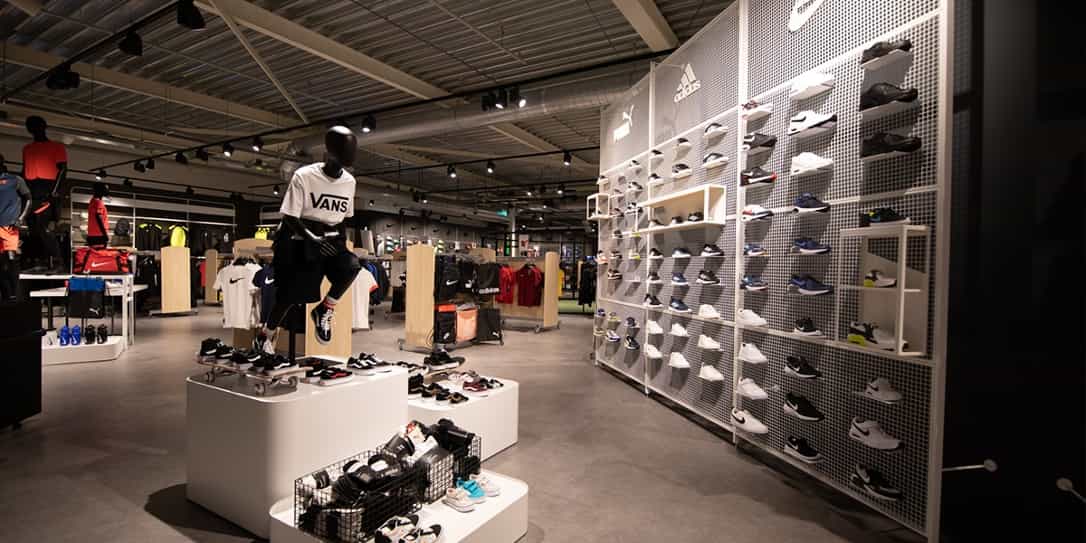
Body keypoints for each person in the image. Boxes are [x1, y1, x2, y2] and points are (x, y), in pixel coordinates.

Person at [254, 126, 361, 354]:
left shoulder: (349, 182)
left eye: (353, 148)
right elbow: (290, 216)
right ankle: (266, 334)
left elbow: (344, 218)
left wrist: (341, 244)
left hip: (331, 235)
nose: (352, 153)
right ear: (331, 151)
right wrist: (312, 239)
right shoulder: (305, 175)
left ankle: (325, 308)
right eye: (346, 148)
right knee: (289, 296)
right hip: (299, 235)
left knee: (351, 266)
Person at [0, 154, 30, 300]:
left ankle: (14, 295)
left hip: (9, 226)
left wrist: (21, 218)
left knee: (11, 259)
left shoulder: (15, 180)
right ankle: (5, 294)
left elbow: (28, 198)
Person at [86, 182, 110, 248]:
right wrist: (105, 234)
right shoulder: (98, 202)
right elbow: (98, 217)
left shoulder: (92, 201)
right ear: (100, 190)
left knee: (93, 254)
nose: (107, 191)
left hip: (92, 234)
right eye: (105, 189)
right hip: (99, 235)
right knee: (100, 254)